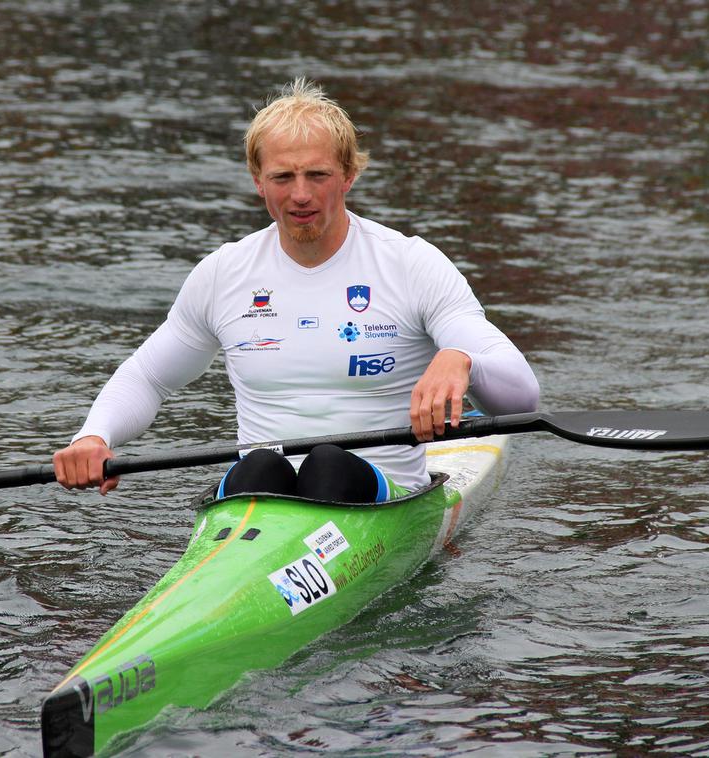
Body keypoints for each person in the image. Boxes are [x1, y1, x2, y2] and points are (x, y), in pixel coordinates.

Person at [53, 78, 539, 502]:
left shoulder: (410, 264)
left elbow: (521, 401)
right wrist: (94, 436)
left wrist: (461, 359)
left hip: (381, 491)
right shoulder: (225, 272)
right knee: (259, 468)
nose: (300, 194)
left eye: (317, 175)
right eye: (282, 177)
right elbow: (149, 377)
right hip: (258, 491)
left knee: (329, 463)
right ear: (257, 181)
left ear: (349, 174)